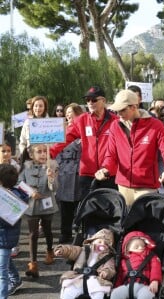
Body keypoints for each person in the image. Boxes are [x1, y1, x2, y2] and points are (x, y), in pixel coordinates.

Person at [95, 89, 164, 206]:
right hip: (123, 185)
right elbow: (111, 154)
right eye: (117, 111)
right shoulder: (115, 126)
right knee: (126, 223)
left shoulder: (155, 125)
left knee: (144, 223)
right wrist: (105, 168)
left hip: (147, 186)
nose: (119, 114)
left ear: (134, 107)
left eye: (122, 110)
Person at [50, 86, 118, 201]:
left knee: (110, 213)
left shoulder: (115, 121)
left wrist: (108, 168)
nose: (90, 103)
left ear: (104, 101)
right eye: (87, 100)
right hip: (87, 176)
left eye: (94, 99)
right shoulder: (82, 120)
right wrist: (50, 153)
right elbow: (64, 138)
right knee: (88, 213)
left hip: (109, 175)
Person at [18, 144, 59, 278]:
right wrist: (30, 192)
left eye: (44, 151)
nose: (43, 154)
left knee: (47, 230)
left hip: (47, 204)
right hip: (31, 205)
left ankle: (49, 250)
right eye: (39, 152)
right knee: (33, 234)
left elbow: (54, 188)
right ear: (31, 155)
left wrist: (51, 177)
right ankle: (33, 263)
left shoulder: (51, 166)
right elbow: (20, 183)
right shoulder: (26, 167)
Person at [54, 228, 116, 299]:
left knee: (99, 293)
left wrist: (106, 272)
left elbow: (110, 267)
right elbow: (71, 250)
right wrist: (62, 250)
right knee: (69, 290)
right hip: (78, 277)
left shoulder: (108, 257)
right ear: (92, 241)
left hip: (96, 280)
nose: (102, 244)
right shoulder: (83, 250)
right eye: (99, 241)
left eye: (106, 244)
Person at [55, 103, 83, 244]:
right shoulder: (62, 130)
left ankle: (79, 233)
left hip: (80, 170)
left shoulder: (85, 129)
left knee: (80, 205)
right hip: (65, 171)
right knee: (65, 206)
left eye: (71, 112)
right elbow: (55, 150)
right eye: (66, 113)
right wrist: (58, 165)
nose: (68, 115)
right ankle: (65, 233)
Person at [0, 164, 28, 298]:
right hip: (6, 238)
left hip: (4, 239)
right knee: (5, 263)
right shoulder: (18, 194)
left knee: (1, 272)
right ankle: (16, 280)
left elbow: (6, 220)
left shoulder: (10, 198)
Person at [110, 231, 162, 299]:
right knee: (115, 294)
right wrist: (116, 287)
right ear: (128, 249)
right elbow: (120, 275)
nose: (140, 248)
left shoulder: (151, 256)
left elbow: (156, 268)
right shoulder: (124, 261)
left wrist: (154, 280)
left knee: (147, 295)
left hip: (144, 286)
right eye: (136, 247)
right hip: (126, 286)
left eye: (143, 245)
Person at [0, 141, 21, 258]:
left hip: (11, 199)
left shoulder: (16, 166)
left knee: (11, 222)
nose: (6, 153)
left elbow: (19, 182)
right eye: (3, 151)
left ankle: (14, 245)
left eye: (8, 151)